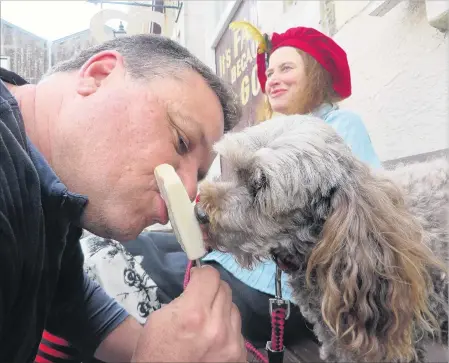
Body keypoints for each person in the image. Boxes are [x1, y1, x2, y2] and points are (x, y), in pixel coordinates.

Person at [0, 33, 247, 363]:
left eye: (199, 175)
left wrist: (184, 347)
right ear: (99, 76)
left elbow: (74, 301)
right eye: (181, 141)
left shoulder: (55, 199)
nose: (189, 191)